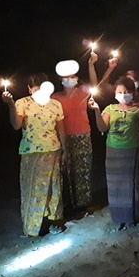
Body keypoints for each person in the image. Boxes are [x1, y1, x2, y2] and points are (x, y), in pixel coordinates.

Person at [2, 73, 66, 236]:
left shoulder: (55, 105)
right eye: (35, 89)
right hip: (31, 152)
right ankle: (33, 227)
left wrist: (64, 149)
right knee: (33, 189)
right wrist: (10, 105)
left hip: (52, 150)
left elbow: (61, 129)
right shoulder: (22, 103)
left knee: (53, 188)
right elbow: (16, 125)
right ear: (29, 89)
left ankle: (54, 222)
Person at [89, 77, 139, 231]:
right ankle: (119, 218)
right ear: (115, 93)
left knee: (132, 186)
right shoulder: (109, 109)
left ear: (133, 93)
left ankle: (132, 217)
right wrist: (96, 110)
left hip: (132, 152)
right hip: (113, 152)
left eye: (127, 92)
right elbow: (102, 128)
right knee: (116, 187)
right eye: (120, 92)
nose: (123, 95)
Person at [53, 58, 98, 215]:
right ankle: (70, 204)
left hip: (83, 135)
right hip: (64, 138)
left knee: (83, 170)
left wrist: (91, 64)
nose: (70, 79)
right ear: (60, 80)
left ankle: (84, 203)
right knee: (67, 171)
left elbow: (95, 83)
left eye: (73, 76)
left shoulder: (82, 92)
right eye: (66, 77)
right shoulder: (55, 97)